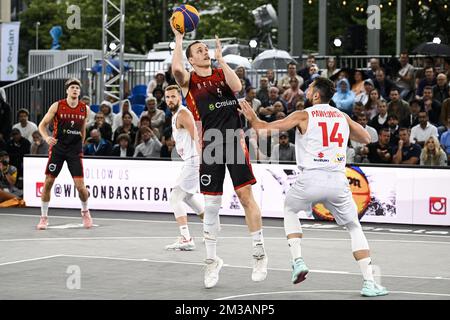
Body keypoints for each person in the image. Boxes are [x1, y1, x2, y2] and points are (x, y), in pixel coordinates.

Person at [239, 76, 388, 297]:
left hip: (311, 177)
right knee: (354, 227)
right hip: (338, 179)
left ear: (316, 95)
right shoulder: (342, 116)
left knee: (290, 209)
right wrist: (344, 128)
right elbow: (366, 138)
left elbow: (263, 130)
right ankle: (368, 283)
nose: (307, 91)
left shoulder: (303, 115)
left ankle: (297, 260)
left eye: (309, 89)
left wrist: (252, 118)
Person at [171, 24, 268, 288]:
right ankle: (212, 261)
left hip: (234, 140)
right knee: (211, 206)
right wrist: (179, 39)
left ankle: (259, 253)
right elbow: (176, 70)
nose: (204, 52)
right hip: (210, 145)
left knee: (245, 196)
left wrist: (222, 60)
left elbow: (236, 86)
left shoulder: (220, 73)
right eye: (199, 50)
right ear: (191, 59)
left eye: (205, 49)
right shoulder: (190, 81)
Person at [36, 78, 93, 230]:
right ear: (67, 90)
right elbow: (42, 125)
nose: (75, 90)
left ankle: (85, 211)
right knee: (48, 182)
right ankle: (44, 218)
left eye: (77, 88)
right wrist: (47, 137)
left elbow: (83, 129)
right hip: (58, 149)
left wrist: (82, 142)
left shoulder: (84, 109)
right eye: (72, 87)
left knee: (81, 188)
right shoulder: (57, 105)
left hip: (75, 151)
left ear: (80, 92)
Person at [164, 85, 205, 251]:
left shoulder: (182, 113)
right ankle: (211, 227)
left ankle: (186, 238)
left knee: (175, 198)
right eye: (167, 97)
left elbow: (197, 134)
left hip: (194, 160)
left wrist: (203, 160)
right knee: (187, 197)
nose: (170, 100)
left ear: (179, 97)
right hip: (191, 160)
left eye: (173, 96)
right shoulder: (175, 116)